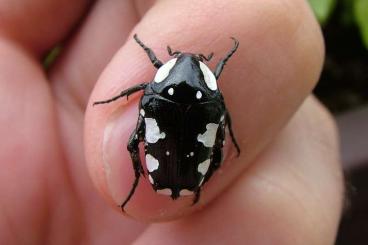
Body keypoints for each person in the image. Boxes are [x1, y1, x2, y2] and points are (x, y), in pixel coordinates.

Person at [0, 0, 343, 244]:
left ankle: (138, 181)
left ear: (164, 68)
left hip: (161, 174)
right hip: (185, 176)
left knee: (135, 139)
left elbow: (143, 91)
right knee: (176, 140)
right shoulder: (213, 100)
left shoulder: (155, 90)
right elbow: (223, 124)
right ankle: (149, 182)